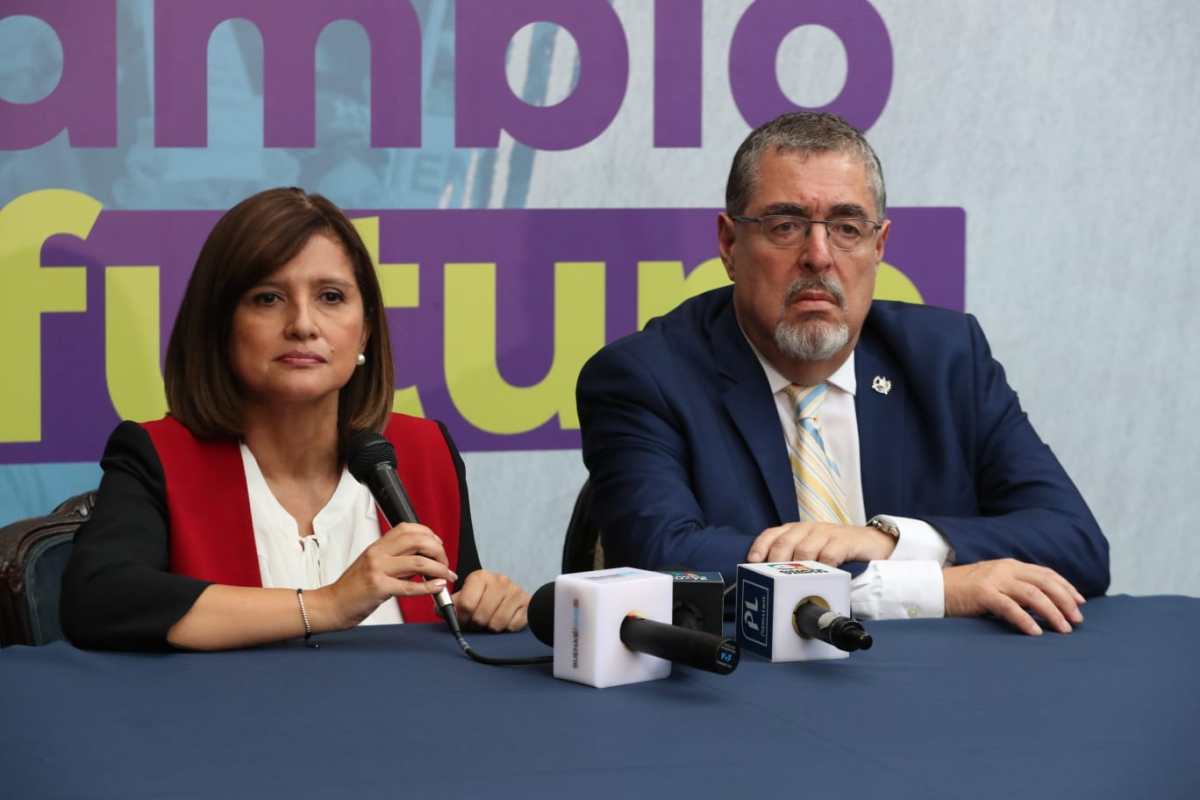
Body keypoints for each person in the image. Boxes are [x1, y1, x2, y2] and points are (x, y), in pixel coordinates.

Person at [576, 112, 1108, 636]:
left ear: (879, 247)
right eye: (785, 226)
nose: (818, 256)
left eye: (847, 228)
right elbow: (662, 562)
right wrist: (929, 588)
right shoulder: (644, 378)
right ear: (729, 244)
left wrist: (889, 541)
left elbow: (1076, 543)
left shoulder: (947, 360)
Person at [62, 187, 530, 651]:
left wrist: (487, 603)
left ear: (365, 330)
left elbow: (458, 619)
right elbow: (99, 603)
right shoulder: (159, 456)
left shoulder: (423, 451)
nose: (303, 325)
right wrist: (328, 605)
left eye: (331, 296)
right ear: (220, 327)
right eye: (268, 298)